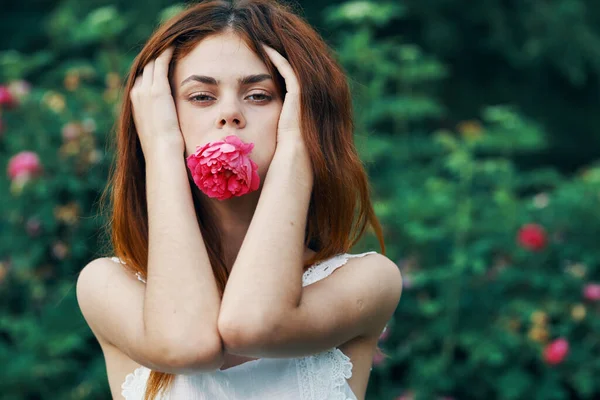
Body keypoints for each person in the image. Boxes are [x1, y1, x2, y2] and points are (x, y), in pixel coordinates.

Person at [75, 0, 403, 399]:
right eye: (201, 96)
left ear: (300, 114)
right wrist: (161, 150)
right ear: (157, 112)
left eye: (259, 95)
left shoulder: (367, 281)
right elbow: (188, 345)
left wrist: (298, 151)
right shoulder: (109, 286)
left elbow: (253, 325)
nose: (230, 113)